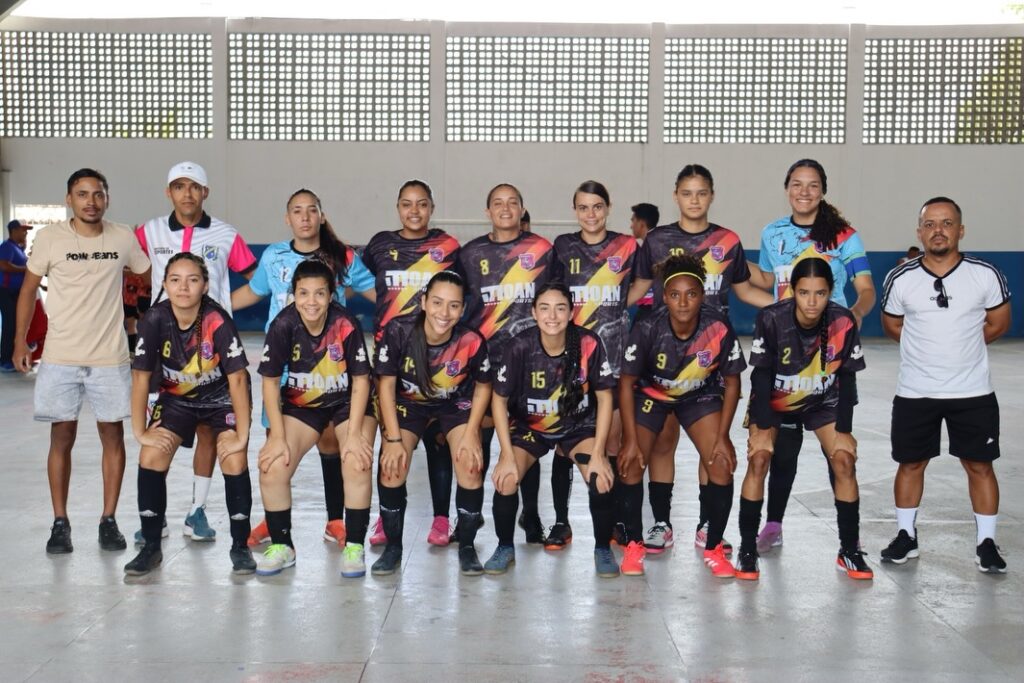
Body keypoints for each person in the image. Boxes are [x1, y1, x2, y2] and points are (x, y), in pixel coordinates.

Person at [626, 164, 771, 555]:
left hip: (711, 358)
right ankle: (661, 522)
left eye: (701, 193)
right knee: (663, 441)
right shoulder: (657, 240)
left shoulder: (727, 240)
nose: (694, 200)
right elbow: (639, 287)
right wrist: (597, 309)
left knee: (713, 448)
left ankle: (708, 524)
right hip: (663, 358)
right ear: (676, 195)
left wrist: (787, 306)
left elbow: (744, 291)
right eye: (687, 193)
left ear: (712, 195)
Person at [13, 169, 150, 554]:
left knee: (113, 436)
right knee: (61, 437)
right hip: (60, 357)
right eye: (83, 194)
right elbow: (28, 290)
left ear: (107, 198)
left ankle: (109, 520)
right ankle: (60, 522)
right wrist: (21, 340)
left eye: (98, 194)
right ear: (69, 199)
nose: (91, 201)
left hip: (110, 357)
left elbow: (150, 278)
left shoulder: (123, 237)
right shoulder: (50, 238)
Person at [232, 189, 375, 551]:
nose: (305, 217)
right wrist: (208, 305)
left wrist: (417, 307)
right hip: (283, 368)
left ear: (322, 216)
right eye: (297, 211)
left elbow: (377, 292)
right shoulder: (273, 256)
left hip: (329, 368)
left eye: (312, 210)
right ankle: (275, 520)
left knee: (331, 441)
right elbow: (253, 292)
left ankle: (335, 519)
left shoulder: (342, 256)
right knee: (276, 445)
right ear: (288, 218)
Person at [745, 159, 875, 554]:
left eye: (813, 185)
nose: (804, 192)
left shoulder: (844, 235)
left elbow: (865, 287)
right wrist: (731, 259)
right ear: (787, 188)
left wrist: (855, 313)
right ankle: (773, 524)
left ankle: (849, 540)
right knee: (782, 451)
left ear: (823, 190)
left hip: (828, 354)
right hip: (786, 352)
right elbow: (768, 280)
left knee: (838, 452)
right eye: (797, 184)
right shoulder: (772, 233)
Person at [879, 197, 1011, 574]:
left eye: (947, 223)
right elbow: (893, 326)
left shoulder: (985, 274)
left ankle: (986, 542)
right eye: (930, 224)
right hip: (915, 391)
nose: (938, 230)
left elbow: (998, 323)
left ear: (961, 230)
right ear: (920, 232)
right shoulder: (901, 278)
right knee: (910, 463)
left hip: (972, 391)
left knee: (980, 466)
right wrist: (929, 350)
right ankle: (906, 535)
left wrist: (962, 347)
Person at [135, 161, 257, 545]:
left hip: (210, 350)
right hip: (166, 351)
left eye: (194, 187)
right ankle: (154, 516)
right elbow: (125, 267)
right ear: (168, 192)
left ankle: (197, 511)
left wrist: (226, 310)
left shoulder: (226, 234)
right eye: (179, 186)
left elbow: (258, 281)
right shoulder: (148, 231)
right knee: (159, 433)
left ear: (206, 192)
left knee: (209, 430)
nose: (187, 193)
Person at [738, 257, 871, 581]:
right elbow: (761, 377)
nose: (812, 302)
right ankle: (747, 549)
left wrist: (844, 430)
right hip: (776, 399)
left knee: (843, 460)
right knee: (759, 458)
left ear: (830, 292)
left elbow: (848, 379)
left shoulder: (843, 321)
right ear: (792, 291)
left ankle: (849, 550)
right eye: (804, 293)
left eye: (820, 293)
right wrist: (762, 428)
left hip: (822, 400)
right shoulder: (772, 318)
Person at [123, 253, 254, 575]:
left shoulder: (217, 320)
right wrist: (140, 432)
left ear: (205, 285)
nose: (183, 287)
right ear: (165, 284)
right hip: (177, 399)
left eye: (192, 280)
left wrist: (242, 436)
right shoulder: (155, 318)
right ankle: (151, 547)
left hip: (221, 399)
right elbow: (140, 377)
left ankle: (240, 546)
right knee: (151, 454)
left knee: (233, 457)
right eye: (175, 280)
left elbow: (238, 379)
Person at [618, 254, 745, 577]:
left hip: (697, 395)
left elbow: (733, 382)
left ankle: (713, 548)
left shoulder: (717, 326)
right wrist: (630, 440)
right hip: (652, 394)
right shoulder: (648, 326)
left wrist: (723, 436)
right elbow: (626, 382)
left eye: (691, 294)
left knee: (721, 464)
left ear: (702, 295)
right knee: (631, 463)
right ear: (664, 297)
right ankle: (634, 545)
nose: (683, 302)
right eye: (675, 294)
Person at [486, 282, 618, 577]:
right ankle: (504, 547)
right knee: (506, 480)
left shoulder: (589, 343)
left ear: (571, 313)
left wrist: (599, 453)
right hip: (530, 427)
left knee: (600, 479)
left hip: (577, 428)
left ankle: (602, 549)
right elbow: (498, 400)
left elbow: (606, 397)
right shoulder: (519, 346)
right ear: (534, 312)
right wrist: (506, 454)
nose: (552, 316)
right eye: (544, 308)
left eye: (560, 308)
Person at [254, 259, 376, 578]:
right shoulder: (283, 325)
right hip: (303, 405)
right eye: (304, 293)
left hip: (346, 403)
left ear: (331, 295)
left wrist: (354, 435)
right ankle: (283, 545)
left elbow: (361, 380)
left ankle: (355, 545)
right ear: (293, 295)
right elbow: (269, 382)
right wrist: (277, 436)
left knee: (357, 460)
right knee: (272, 465)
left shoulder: (345, 323)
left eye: (320, 293)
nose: (312, 301)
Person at [361, 180, 461, 547]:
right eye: (406, 204)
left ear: (432, 207)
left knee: (439, 440)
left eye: (421, 204)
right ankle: (386, 517)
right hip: (392, 360)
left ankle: (441, 518)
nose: (414, 211)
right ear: (397, 208)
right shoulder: (380, 245)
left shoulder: (448, 246)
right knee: (392, 441)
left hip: (438, 357)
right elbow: (357, 278)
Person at [373, 271, 492, 576]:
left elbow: (483, 386)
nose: (444, 312)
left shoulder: (470, 340)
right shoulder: (398, 331)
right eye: (437, 302)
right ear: (424, 302)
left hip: (454, 405)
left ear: (462, 309)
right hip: (408, 405)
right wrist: (393, 439)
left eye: (454, 305)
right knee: (392, 466)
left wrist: (471, 432)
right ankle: (393, 548)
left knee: (470, 463)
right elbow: (385, 386)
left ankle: (466, 547)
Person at [459, 183, 555, 544]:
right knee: (479, 439)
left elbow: (555, 302)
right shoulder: (471, 253)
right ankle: (471, 517)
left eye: (512, 202)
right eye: (497, 203)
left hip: (529, 364)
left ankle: (531, 515)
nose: (505, 208)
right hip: (483, 364)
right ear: (488, 211)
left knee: (526, 441)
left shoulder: (542, 250)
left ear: (522, 209)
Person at [548, 180, 637, 551]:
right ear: (575, 210)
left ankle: (613, 520)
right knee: (563, 444)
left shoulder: (627, 246)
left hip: (614, 359)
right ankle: (561, 521)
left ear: (608, 207)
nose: (591, 214)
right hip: (571, 359)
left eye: (597, 206)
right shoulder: (563, 247)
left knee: (611, 440)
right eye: (583, 207)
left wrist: (619, 306)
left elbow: (642, 282)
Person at [1, 219, 32, 371]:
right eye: (23, 230)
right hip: (5, 291)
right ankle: (5, 361)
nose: (25, 233)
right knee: (10, 324)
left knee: (17, 324)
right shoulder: (6, 246)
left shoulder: (18, 248)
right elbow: (3, 265)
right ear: (13, 231)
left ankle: (15, 358)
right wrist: (25, 269)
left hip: (16, 293)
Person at [628, 202, 659, 320]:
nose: (631, 226)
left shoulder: (639, 249)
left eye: (633, 221)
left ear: (641, 224)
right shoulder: (663, 243)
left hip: (648, 310)